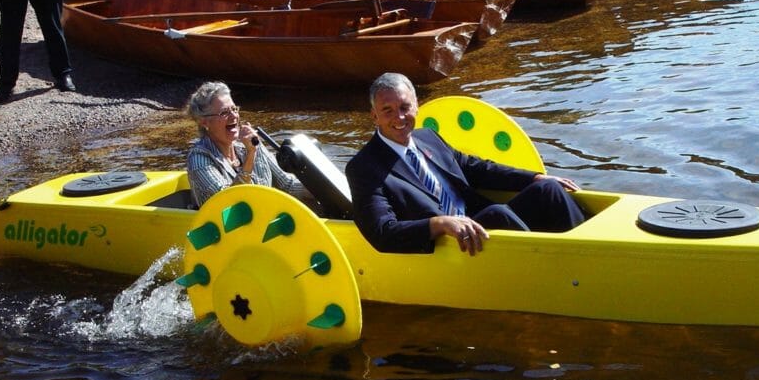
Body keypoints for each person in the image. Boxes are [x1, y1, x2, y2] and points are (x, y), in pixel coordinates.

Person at [345, 73, 586, 255]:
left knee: (548, 191)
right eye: (387, 111)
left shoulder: (428, 137)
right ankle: (550, 265)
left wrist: (533, 177)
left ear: (417, 105)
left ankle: (588, 249)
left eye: (405, 107)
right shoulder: (364, 168)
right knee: (497, 213)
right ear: (374, 116)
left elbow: (476, 168)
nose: (399, 117)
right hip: (448, 242)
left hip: (477, 221)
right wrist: (439, 224)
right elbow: (382, 233)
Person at [185, 81, 306, 209]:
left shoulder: (248, 144)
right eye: (224, 113)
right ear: (204, 122)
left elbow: (287, 185)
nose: (234, 116)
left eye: (234, 109)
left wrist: (320, 188)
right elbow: (231, 204)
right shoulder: (198, 159)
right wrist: (250, 155)